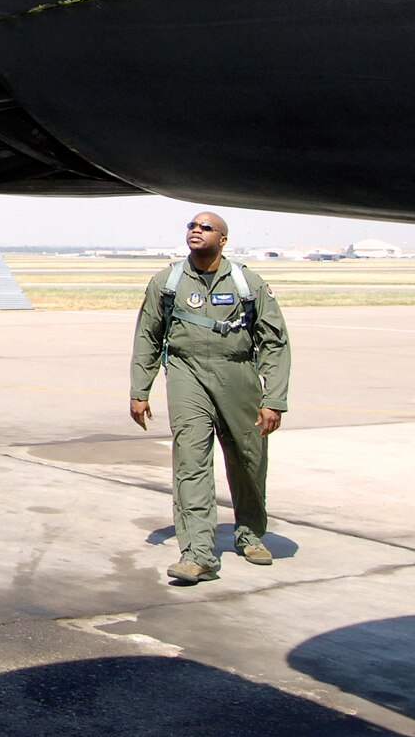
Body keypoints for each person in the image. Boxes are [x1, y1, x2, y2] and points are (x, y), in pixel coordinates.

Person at [128, 211, 290, 583]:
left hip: (237, 376)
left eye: (205, 227)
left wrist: (274, 399)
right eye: (191, 226)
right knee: (191, 461)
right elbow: (148, 337)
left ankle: (249, 533)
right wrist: (140, 390)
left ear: (223, 239)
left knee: (248, 459)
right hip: (186, 374)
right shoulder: (166, 282)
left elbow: (275, 341)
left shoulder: (247, 282)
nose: (196, 231)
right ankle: (197, 554)